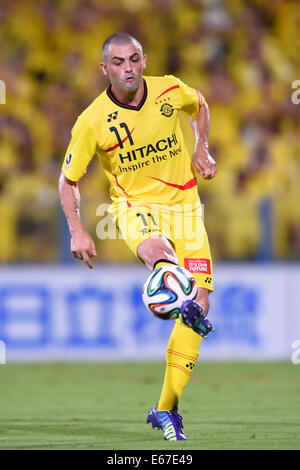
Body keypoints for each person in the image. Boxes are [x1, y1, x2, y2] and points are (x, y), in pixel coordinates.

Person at [58, 32, 216, 441]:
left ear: (144, 59)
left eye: (133, 60)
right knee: (162, 259)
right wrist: (76, 229)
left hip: (186, 207)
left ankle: (165, 410)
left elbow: (200, 104)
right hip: (135, 209)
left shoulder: (168, 89)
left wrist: (202, 147)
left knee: (198, 307)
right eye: (117, 62)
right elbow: (68, 179)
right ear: (104, 68)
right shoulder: (92, 120)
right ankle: (162, 279)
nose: (127, 69)